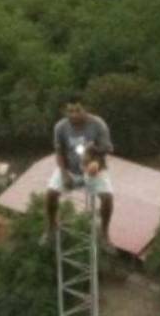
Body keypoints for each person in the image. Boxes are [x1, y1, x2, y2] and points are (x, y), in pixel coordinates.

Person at [43, 95, 115, 251]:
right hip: (70, 168)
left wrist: (93, 153)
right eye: (70, 111)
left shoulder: (98, 124)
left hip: (93, 168)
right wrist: (63, 173)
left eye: (77, 110)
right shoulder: (60, 127)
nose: (74, 115)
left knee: (107, 197)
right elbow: (59, 151)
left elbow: (108, 148)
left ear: (85, 109)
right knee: (50, 194)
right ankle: (51, 227)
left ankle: (104, 234)